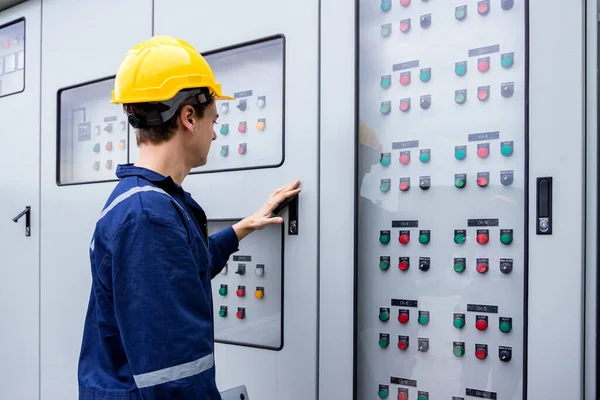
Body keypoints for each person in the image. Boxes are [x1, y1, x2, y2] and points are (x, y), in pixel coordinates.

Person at [77, 35, 301, 400]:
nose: (215, 132)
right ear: (188, 117)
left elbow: (184, 268)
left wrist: (244, 226)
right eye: (214, 119)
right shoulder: (148, 216)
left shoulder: (149, 200)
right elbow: (174, 377)